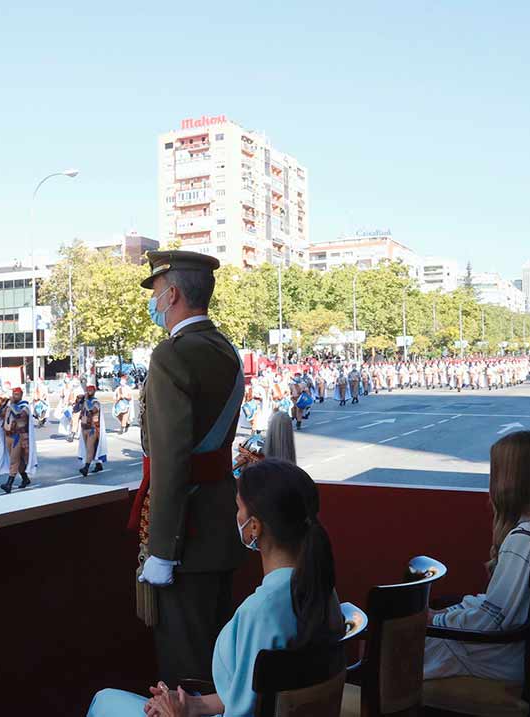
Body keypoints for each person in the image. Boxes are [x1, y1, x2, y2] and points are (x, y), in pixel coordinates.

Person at [89, 460, 341, 716]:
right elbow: (255, 696)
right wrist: (191, 705)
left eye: (238, 507)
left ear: (254, 527)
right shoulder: (322, 591)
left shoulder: (261, 612)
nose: (236, 516)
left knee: (104, 701)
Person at [131, 250, 246, 687]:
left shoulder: (171, 355)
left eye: (157, 293)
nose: (155, 303)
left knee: (185, 670)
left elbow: (172, 461)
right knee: (217, 661)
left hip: (185, 537)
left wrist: (161, 550)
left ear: (172, 293)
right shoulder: (225, 350)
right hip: (219, 522)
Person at [425, 430, 530, 683]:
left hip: (506, 660)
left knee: (392, 645)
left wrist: (434, 619)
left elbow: (491, 620)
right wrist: (452, 610)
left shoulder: (523, 539)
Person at [0, 386, 37, 493]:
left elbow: (18, 414)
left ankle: (9, 484)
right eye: (13, 394)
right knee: (19, 460)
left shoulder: (24, 407)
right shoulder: (9, 406)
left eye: (17, 394)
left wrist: (11, 404)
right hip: (8, 436)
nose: (14, 396)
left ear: (21, 395)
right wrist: (2, 405)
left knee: (14, 460)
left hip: (19, 437)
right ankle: (25, 479)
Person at [77, 382, 107, 477]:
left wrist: (85, 401)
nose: (88, 392)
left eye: (91, 390)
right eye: (87, 390)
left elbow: (91, 410)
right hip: (84, 427)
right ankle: (98, 464)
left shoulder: (96, 402)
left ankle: (86, 468)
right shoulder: (84, 400)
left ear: (94, 391)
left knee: (90, 447)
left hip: (93, 428)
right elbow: (77, 409)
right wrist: (79, 401)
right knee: (88, 448)